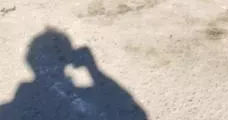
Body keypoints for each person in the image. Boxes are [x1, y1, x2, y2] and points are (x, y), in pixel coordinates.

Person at [0, 28, 147, 120]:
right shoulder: (83, 99)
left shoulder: (11, 107)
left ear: (30, 61)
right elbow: (137, 114)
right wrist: (93, 69)